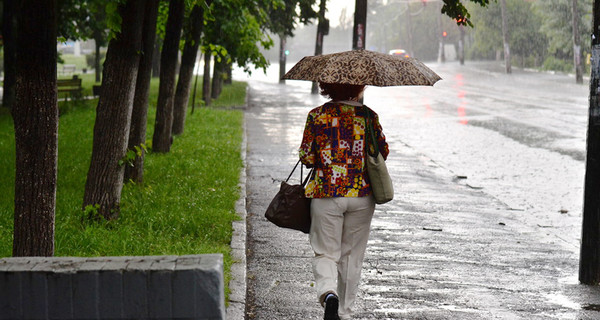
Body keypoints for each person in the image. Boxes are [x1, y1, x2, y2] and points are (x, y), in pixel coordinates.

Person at [299, 82, 389, 320]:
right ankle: (345, 313)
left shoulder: (317, 116)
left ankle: (328, 294)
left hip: (326, 194)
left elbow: (307, 156)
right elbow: (382, 152)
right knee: (351, 257)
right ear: (358, 87)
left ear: (328, 88)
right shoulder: (369, 117)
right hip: (361, 195)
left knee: (326, 253)